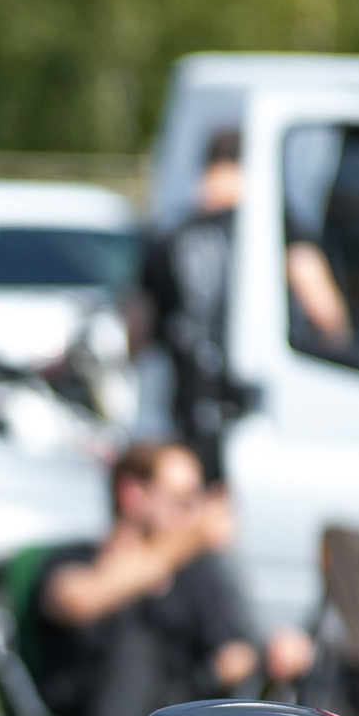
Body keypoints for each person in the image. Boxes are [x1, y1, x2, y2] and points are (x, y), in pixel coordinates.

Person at [31, 440, 311, 716]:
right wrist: (190, 539)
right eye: (182, 501)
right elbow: (77, 600)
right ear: (132, 494)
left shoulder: (195, 575)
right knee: (139, 644)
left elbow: (231, 649)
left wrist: (273, 648)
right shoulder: (77, 559)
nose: (192, 514)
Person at [134, 132, 244, 481]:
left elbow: (137, 329)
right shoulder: (271, 228)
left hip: (190, 410)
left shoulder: (174, 232)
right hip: (254, 407)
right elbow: (323, 310)